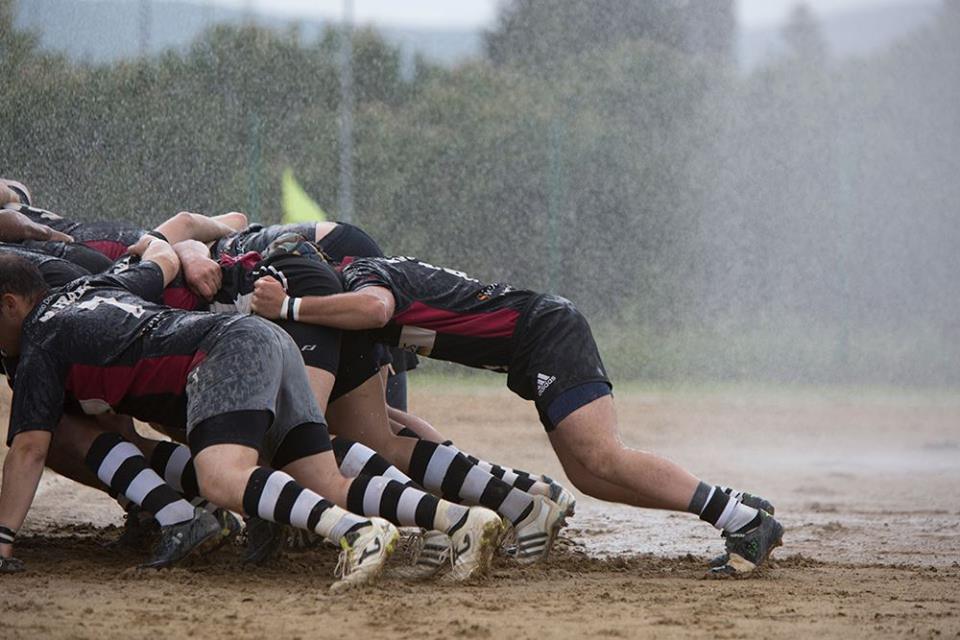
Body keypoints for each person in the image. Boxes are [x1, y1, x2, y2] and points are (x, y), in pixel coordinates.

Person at [251, 255, 785, 575]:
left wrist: (290, 309)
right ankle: (737, 510)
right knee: (589, 475)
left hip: (545, 331)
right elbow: (394, 418)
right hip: (536, 342)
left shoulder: (363, 277)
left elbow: (377, 309)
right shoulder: (358, 289)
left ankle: (743, 519)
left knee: (602, 457)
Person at [0, 241, 406, 591]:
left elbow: (30, 450)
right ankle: (451, 521)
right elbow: (164, 255)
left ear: (11, 304)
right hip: (264, 335)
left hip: (225, 350)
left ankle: (356, 530)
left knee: (221, 477)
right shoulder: (92, 285)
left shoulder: (39, 339)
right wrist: (153, 244)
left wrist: (2, 542)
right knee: (322, 480)